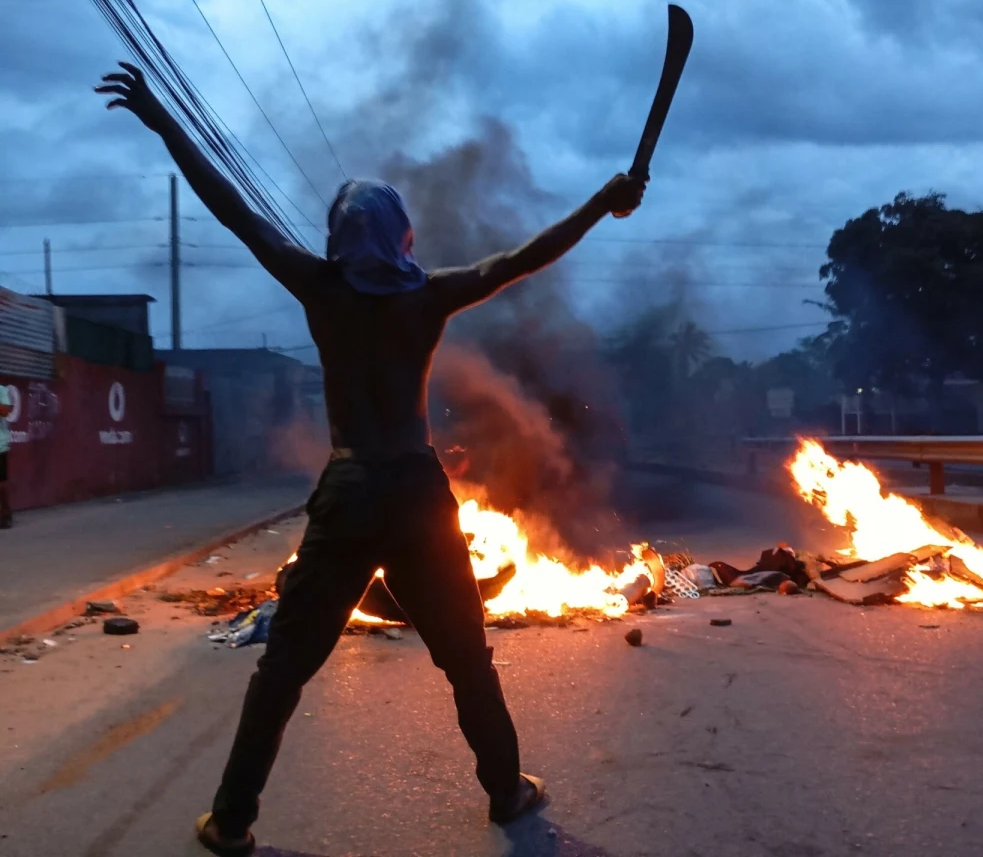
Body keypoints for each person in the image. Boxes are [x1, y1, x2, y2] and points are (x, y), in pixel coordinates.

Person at [96, 62, 646, 857]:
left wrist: (159, 119)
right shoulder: (429, 298)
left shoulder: (320, 288)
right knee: (466, 660)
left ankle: (231, 821)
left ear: (338, 237)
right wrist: (602, 200)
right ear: (401, 237)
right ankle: (506, 793)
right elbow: (524, 258)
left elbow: (234, 211)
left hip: (351, 492)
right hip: (419, 494)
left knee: (283, 669)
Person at [0, 382, 12, 528]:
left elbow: (5, 411)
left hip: (0, 444)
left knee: (1, 485)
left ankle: (4, 513)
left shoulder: (1, 390)